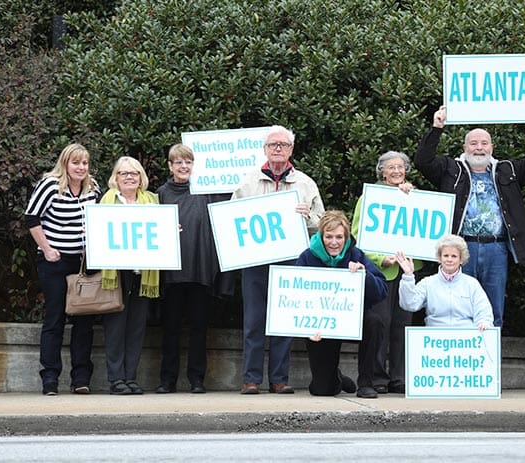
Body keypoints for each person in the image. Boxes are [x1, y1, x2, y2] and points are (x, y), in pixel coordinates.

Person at [414, 106, 525, 328]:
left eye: (484, 143)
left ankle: (489, 359)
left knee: (493, 309)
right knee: (460, 308)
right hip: (460, 249)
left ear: (492, 147)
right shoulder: (451, 169)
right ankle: (465, 358)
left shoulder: (507, 170)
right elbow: (423, 161)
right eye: (473, 143)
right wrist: (436, 128)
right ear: (465, 147)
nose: (479, 148)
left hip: (496, 249)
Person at [232, 125, 325, 395]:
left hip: (290, 259)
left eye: (283, 145)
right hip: (255, 261)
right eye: (273, 144)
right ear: (264, 149)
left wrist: (308, 216)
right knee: (253, 321)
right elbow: (232, 219)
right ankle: (250, 379)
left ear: (291, 149)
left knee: (284, 320)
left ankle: (279, 379)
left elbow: (322, 223)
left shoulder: (305, 183)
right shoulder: (247, 182)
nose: (278, 149)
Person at [155, 144, 234, 394]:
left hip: (201, 270)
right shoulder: (161, 194)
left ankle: (196, 379)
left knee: (200, 328)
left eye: (188, 162)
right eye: (178, 162)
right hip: (172, 273)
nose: (183, 166)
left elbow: (235, 203)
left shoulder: (208, 191)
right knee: (171, 329)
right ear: (170, 166)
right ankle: (167, 380)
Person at [25, 143, 101, 395]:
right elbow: (32, 218)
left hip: (83, 263)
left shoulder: (93, 188)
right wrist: (46, 249)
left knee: (84, 320)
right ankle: (50, 378)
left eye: (85, 163)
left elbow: (102, 219)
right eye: (76, 163)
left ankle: (81, 378)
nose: (81, 167)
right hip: (55, 262)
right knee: (55, 318)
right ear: (65, 164)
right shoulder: (49, 185)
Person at [351, 150, 423, 394]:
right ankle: (378, 376)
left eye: (400, 167)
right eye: (390, 167)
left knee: (403, 325)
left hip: (407, 271)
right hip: (381, 271)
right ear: (381, 172)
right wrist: (381, 259)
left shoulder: (416, 196)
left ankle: (399, 377)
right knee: (381, 323)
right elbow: (357, 235)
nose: (396, 171)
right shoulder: (369, 197)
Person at [296, 210, 388, 398]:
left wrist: (365, 274)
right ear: (321, 236)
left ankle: (366, 383)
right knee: (321, 391)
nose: (334, 242)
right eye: (328, 237)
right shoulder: (307, 257)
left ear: (346, 237)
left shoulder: (356, 254)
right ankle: (336, 378)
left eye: (339, 237)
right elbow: (293, 297)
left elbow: (381, 290)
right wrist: (304, 327)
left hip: (352, 317)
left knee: (374, 321)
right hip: (319, 324)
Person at [99, 156, 159, 395]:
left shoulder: (152, 201)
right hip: (117, 272)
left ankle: (130, 377)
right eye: (124, 173)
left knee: (136, 327)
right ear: (116, 177)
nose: (129, 177)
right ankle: (116, 379)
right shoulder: (107, 201)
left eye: (134, 173)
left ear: (140, 177)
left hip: (143, 273)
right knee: (115, 327)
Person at [396, 234, 493, 329]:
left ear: (461, 260)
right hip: (435, 339)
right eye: (446, 255)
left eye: (454, 256)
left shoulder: (472, 284)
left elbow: (484, 311)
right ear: (439, 258)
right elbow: (409, 304)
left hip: (465, 340)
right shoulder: (428, 283)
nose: (449, 259)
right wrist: (408, 276)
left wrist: (484, 322)